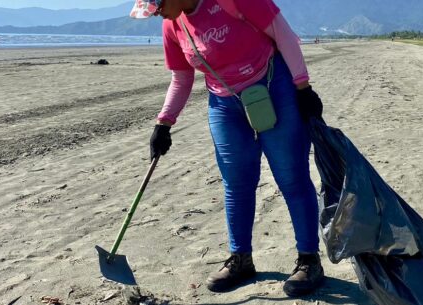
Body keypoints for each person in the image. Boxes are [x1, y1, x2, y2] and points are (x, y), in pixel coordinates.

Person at [132, 0, 325, 296]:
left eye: (157, 4)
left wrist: (303, 86)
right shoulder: (173, 24)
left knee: (291, 177)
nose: (155, 12)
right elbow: (182, 77)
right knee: (236, 183)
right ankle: (240, 259)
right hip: (224, 102)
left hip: (275, 87)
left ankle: (309, 260)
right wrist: (164, 123)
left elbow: (283, 34)